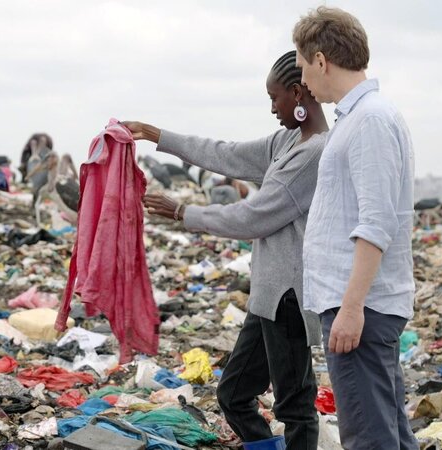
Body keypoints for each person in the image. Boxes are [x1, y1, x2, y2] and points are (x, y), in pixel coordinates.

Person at [125, 50, 328, 450]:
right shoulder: (287, 140)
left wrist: (185, 212)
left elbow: (254, 217)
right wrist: (157, 135)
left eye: (275, 98)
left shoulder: (315, 153)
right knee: (233, 393)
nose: (272, 108)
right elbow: (226, 153)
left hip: (290, 298)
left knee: (295, 409)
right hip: (266, 298)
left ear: (298, 93)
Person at [293, 6, 417, 449]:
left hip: (362, 310)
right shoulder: (361, 118)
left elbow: (377, 222)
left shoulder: (371, 121)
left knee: (369, 438)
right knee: (389, 435)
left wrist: (351, 307)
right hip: (362, 306)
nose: (304, 80)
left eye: (304, 66)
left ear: (322, 60)